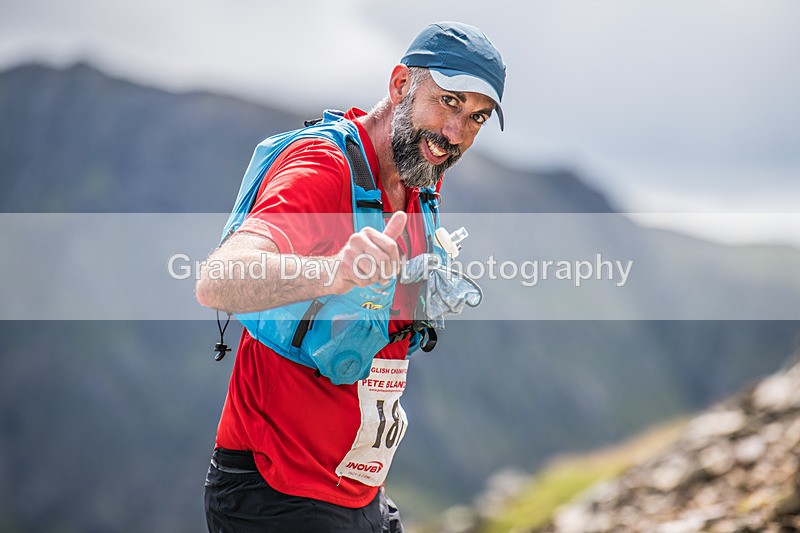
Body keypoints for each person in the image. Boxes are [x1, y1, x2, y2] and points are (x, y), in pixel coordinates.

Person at [196, 21, 506, 533]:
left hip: (359, 494)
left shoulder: (420, 176)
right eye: (449, 102)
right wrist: (332, 272)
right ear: (401, 84)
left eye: (476, 117)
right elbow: (218, 279)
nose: (456, 134)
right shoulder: (324, 167)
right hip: (275, 493)